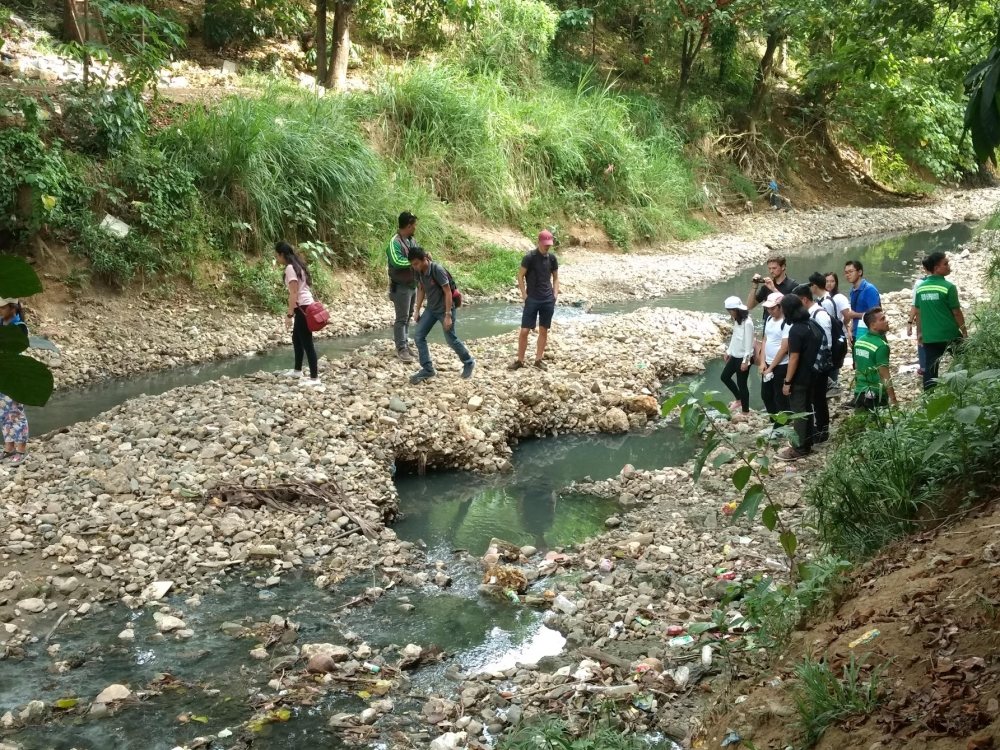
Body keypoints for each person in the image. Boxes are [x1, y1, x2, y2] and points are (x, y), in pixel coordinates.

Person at [408, 246, 475, 384]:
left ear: (425, 259)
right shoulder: (418, 271)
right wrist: (417, 310)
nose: (414, 267)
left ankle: (468, 362)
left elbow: (448, 292)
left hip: (445, 309)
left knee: (450, 339)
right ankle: (427, 369)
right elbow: (421, 289)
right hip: (431, 309)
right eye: (412, 264)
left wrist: (448, 315)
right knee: (419, 336)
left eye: (416, 263)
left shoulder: (437, 270)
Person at [776, 294, 822, 461]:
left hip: (800, 378)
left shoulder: (796, 330)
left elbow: (794, 358)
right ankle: (808, 442)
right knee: (807, 409)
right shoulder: (812, 324)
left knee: (799, 413)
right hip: (813, 374)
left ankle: (799, 448)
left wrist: (787, 381)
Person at [914, 251, 967, 390]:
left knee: (930, 370)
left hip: (930, 337)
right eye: (946, 264)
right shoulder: (948, 287)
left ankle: (929, 398)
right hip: (950, 335)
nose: (948, 266)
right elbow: (956, 312)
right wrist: (965, 332)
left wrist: (919, 333)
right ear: (937, 268)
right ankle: (962, 390)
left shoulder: (921, 288)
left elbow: (918, 313)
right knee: (964, 361)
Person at [511, 230, 560, 370]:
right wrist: (524, 295)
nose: (547, 247)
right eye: (545, 244)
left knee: (543, 330)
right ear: (539, 242)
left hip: (547, 299)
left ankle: (538, 359)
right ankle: (520, 360)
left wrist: (555, 294)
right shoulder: (529, 257)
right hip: (532, 298)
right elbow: (520, 276)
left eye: (549, 245)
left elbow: (556, 277)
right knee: (524, 331)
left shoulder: (552, 259)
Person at [275, 242, 321, 388]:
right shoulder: (298, 264)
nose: (277, 258)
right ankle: (297, 370)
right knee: (296, 338)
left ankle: (314, 379)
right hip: (306, 305)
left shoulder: (289, 268)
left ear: (282, 254)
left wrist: (289, 315)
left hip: (303, 307)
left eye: (277, 255)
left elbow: (294, 293)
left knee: (307, 342)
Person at [794, 284, 831, 444]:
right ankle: (815, 428)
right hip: (812, 366)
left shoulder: (820, 315)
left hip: (820, 367)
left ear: (803, 299)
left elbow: (826, 343)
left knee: (819, 399)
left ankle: (823, 430)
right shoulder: (809, 314)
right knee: (814, 399)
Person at [0, 299, 30, 465]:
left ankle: (21, 449)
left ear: (13, 308)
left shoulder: (20, 327)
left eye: (2, 307)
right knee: (3, 413)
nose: (0, 310)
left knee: (16, 412)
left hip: (15, 373)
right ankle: (8, 447)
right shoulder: (1, 323)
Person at [387, 212, 419, 362]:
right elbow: (396, 261)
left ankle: (405, 343)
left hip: (412, 285)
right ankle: (401, 348)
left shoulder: (412, 241)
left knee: (409, 315)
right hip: (400, 287)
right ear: (408, 226)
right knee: (401, 318)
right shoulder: (394, 242)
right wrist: (414, 262)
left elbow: (418, 254)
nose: (415, 228)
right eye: (414, 226)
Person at [853, 307, 897, 410]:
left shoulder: (859, 341)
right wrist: (894, 400)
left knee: (861, 424)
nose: (887, 321)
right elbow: (884, 375)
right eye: (882, 319)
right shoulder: (881, 346)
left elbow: (857, 366)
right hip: (876, 394)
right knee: (878, 425)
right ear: (873, 325)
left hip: (859, 392)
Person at [759, 292, 790, 426]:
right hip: (767, 363)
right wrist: (762, 362)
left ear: (781, 307)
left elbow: (784, 348)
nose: (770, 311)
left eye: (773, 308)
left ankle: (781, 425)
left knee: (780, 396)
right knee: (765, 394)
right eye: (768, 309)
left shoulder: (787, 323)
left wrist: (771, 368)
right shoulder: (769, 320)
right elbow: (765, 340)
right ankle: (774, 419)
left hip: (781, 365)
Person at [815, 272, 851, 389]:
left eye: (832, 281)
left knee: (832, 362)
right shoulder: (821, 298)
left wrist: (843, 326)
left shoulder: (837, 298)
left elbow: (847, 315)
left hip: (834, 335)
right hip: (831, 335)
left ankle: (833, 387)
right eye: (827, 281)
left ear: (836, 283)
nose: (829, 284)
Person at [721, 296, 754, 415]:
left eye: (731, 311)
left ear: (737, 310)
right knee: (724, 377)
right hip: (735, 355)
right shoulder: (737, 320)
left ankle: (745, 411)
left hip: (744, 358)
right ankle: (739, 399)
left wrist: (746, 361)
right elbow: (735, 338)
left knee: (742, 384)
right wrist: (729, 351)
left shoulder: (748, 323)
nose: (730, 314)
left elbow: (749, 344)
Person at [747, 255, 797, 322]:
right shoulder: (766, 286)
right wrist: (754, 287)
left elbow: (794, 308)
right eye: (769, 268)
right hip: (768, 324)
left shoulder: (793, 285)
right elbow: (749, 306)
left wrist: (773, 289)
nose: (771, 271)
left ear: (783, 267)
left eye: (774, 268)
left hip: (785, 324)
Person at [843, 260, 881, 340]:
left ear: (860, 272)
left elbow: (877, 315)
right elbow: (854, 313)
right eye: (846, 272)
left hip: (869, 335)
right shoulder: (852, 291)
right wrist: (850, 331)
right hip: (857, 334)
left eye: (851, 271)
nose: (848, 275)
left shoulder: (869, 290)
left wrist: (855, 315)